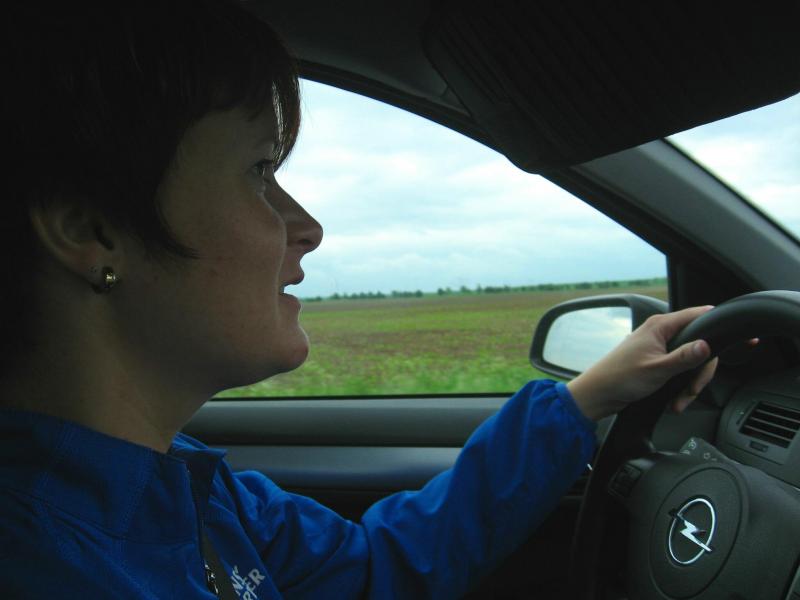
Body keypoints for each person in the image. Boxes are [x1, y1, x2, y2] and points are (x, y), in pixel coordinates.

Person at [0, 1, 718, 598]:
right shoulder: (45, 565)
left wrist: (584, 401)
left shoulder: (183, 484)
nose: (308, 228)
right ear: (90, 230)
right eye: (259, 170)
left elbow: (375, 569)